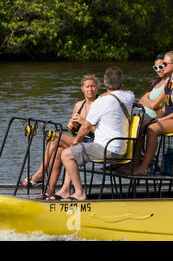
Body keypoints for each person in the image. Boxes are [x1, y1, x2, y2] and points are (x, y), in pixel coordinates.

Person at [54, 67, 135, 200]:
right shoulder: (129, 96)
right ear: (122, 82)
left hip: (106, 148)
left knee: (67, 154)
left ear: (104, 83)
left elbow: (86, 126)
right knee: (73, 152)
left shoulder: (100, 102)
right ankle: (65, 190)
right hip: (121, 148)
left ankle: (79, 193)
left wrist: (76, 141)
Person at [21, 75, 99, 199]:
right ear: (82, 89)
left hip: (94, 142)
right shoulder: (79, 105)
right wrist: (71, 127)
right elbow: (74, 130)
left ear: (97, 88)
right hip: (78, 139)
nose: (90, 89)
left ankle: (40, 173)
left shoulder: (100, 104)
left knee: (55, 138)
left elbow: (101, 130)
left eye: (93, 86)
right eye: (87, 86)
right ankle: (51, 190)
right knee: (58, 150)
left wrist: (83, 121)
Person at [122, 51, 173, 176]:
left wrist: (161, 121)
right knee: (141, 126)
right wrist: (155, 118)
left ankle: (143, 168)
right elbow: (166, 108)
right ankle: (133, 163)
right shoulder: (170, 80)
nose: (161, 67)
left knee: (152, 128)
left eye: (164, 64)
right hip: (172, 118)